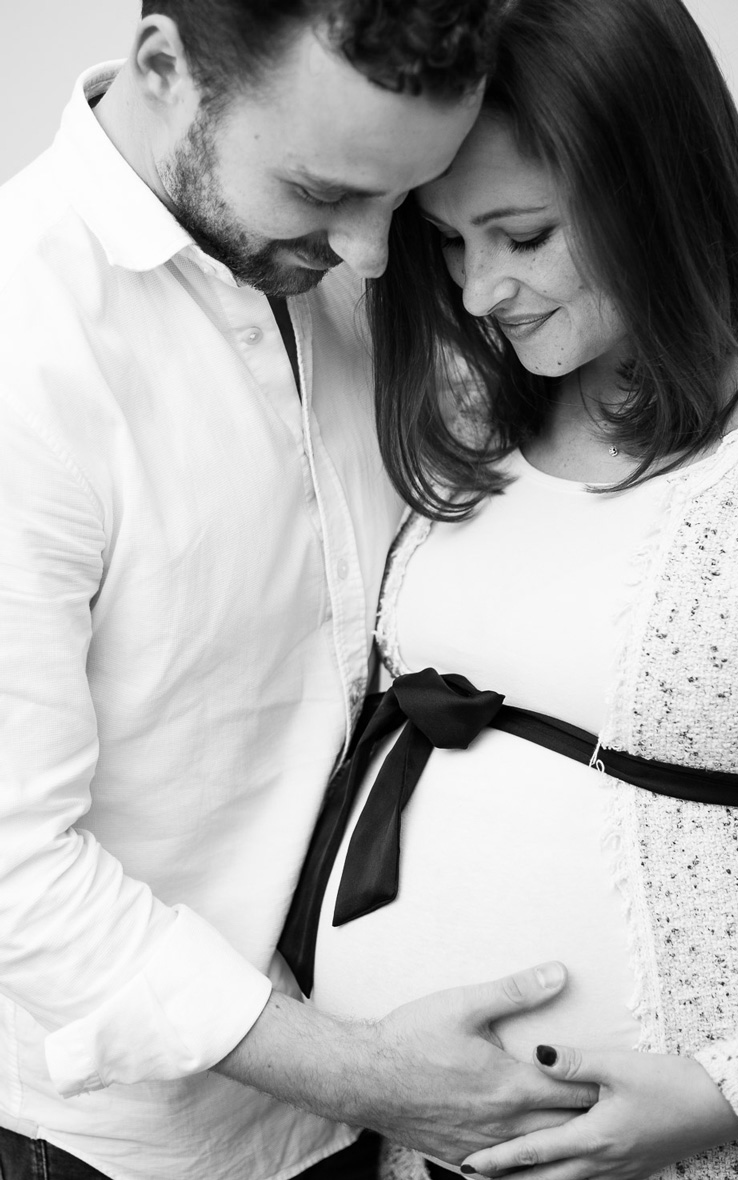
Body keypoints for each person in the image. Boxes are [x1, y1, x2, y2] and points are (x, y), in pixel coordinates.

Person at [0, 2, 603, 1178]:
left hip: (367, 1110)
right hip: (135, 1146)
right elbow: (14, 872)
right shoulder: (26, 350)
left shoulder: (366, 259)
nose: (371, 256)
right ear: (164, 68)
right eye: (324, 194)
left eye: (403, 202)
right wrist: (374, 1076)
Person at [282, 0, 738, 1176]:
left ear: (656, 187)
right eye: (450, 243)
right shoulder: (472, 408)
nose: (478, 291)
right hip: (412, 1150)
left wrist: (731, 1091)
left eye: (520, 234)